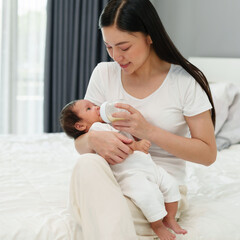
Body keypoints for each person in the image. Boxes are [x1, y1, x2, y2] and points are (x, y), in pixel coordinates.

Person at [68, 0, 217, 240]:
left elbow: (208, 154)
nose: (116, 56)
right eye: (109, 47)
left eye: (124, 47)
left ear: (149, 36)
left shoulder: (184, 82)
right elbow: (80, 144)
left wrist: (148, 131)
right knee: (86, 165)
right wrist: (93, 139)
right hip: (114, 177)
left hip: (160, 189)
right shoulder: (103, 74)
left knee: (99, 213)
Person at [60, 99, 187, 239]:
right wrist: (137, 146)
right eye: (89, 109)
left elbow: (130, 135)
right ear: (80, 125)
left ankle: (170, 218)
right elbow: (122, 144)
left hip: (148, 166)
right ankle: (157, 226)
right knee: (148, 195)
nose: (96, 107)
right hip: (130, 174)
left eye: (94, 105)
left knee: (171, 185)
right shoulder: (98, 129)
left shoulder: (109, 124)